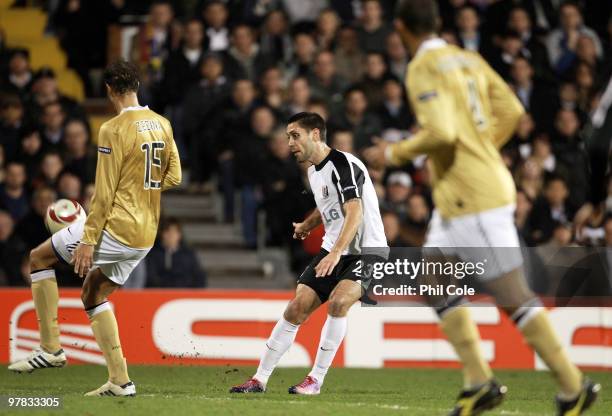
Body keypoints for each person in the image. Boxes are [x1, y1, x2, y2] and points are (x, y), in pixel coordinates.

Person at [363, 1, 599, 415]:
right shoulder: (467, 58)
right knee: (433, 274)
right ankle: (479, 381)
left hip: (474, 196)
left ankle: (572, 385)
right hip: (464, 192)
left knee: (512, 296)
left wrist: (393, 152)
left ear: (400, 28)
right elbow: (511, 110)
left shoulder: (422, 66)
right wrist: (482, 148)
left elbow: (441, 131)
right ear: (437, 23)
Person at [7, 60, 182, 397]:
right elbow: (174, 176)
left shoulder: (112, 128)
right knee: (93, 292)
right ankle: (120, 381)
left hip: (115, 228)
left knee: (39, 258)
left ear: (108, 91)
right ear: (136, 87)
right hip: (145, 235)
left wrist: (88, 241)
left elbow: (102, 194)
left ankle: (51, 348)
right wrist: (139, 186)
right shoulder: (163, 123)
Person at [230, 112, 387, 395]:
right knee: (295, 308)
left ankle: (315, 379)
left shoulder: (343, 163)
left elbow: (355, 210)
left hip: (367, 251)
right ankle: (259, 379)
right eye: (288, 136)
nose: (290, 142)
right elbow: (328, 205)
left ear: (315, 134)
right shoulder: (314, 171)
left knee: (338, 303)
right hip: (334, 248)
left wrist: (336, 252)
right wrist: (308, 224)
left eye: (295, 135)